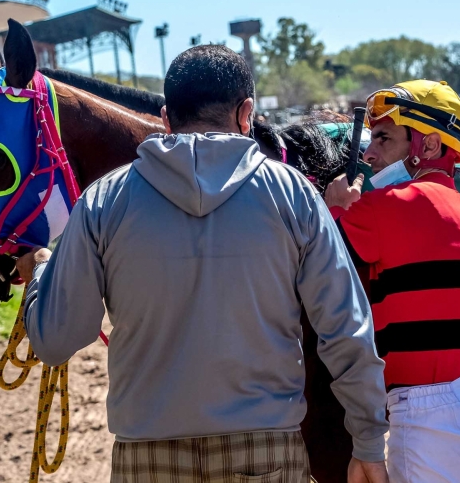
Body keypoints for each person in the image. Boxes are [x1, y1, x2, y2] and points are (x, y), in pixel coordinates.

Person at [19, 45, 390, 483]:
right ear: (246, 113)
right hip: (266, 453)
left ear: (165, 117)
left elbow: (56, 339)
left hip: (146, 459)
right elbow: (346, 328)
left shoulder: (103, 201)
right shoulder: (293, 194)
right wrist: (367, 439)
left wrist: (41, 274)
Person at [324, 80, 460, 483]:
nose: (368, 153)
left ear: (429, 147)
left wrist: (333, 207)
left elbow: (318, 262)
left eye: (384, 138)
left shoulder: (379, 209)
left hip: (432, 425)